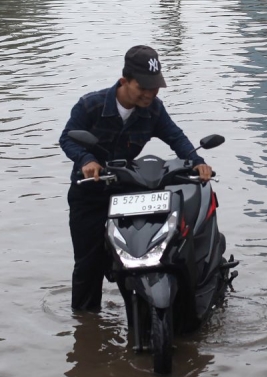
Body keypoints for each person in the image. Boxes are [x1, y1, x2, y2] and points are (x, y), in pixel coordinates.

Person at [59, 45, 212, 315]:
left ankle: (144, 311)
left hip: (128, 192)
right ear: (124, 81)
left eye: (154, 88)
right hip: (90, 193)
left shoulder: (153, 109)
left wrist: (197, 162)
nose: (149, 94)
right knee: (88, 264)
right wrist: (86, 161)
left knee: (141, 254)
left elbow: (175, 137)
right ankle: (85, 323)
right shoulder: (90, 105)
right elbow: (68, 138)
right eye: (143, 88)